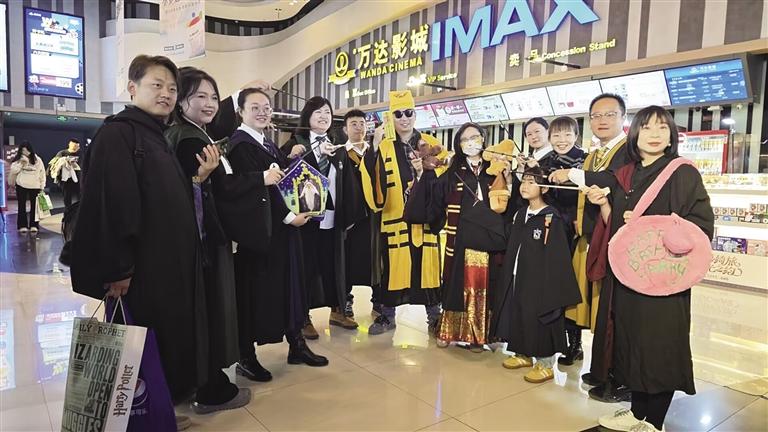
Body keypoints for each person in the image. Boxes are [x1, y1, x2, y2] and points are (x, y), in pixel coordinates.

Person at [69, 55, 207, 430]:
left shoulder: (155, 135)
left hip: (165, 269)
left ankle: (156, 416)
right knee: (135, 348)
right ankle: (132, 421)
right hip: (139, 272)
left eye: (172, 88)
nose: (166, 94)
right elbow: (112, 202)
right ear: (132, 88)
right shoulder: (119, 134)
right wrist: (119, 268)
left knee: (156, 347)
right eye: (156, 85)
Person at [590, 105, 714, 432]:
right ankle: (637, 412)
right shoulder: (627, 174)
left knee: (659, 346)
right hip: (630, 275)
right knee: (632, 343)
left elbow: (700, 226)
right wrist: (605, 206)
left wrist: (653, 225)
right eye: (647, 128)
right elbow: (618, 230)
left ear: (671, 135)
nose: (655, 134)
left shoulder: (681, 173)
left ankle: (654, 422)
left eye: (662, 127)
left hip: (664, 278)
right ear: (635, 134)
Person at [165, 66, 258, 414]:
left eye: (214, 97)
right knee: (209, 313)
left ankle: (204, 382)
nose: (209, 103)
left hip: (194, 243)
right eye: (199, 96)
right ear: (181, 100)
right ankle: (210, 388)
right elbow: (202, 192)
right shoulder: (191, 140)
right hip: (202, 244)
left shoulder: (189, 133)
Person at [227, 88, 328, 380]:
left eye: (267, 107)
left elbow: (283, 180)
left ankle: (296, 344)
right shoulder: (240, 145)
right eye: (255, 107)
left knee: (290, 287)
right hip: (261, 236)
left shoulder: (266, 142)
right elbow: (250, 190)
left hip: (282, 232)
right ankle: (246, 356)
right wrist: (288, 216)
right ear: (241, 111)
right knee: (257, 294)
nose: (263, 112)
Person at [548, 93, 633, 403]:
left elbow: (612, 181)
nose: (602, 120)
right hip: (589, 238)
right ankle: (602, 368)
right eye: (596, 116)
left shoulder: (628, 151)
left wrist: (571, 174)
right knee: (593, 305)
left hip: (615, 240)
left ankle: (619, 377)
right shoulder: (594, 155)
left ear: (623, 118)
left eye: (610, 114)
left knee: (611, 310)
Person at [406, 123, 511, 351]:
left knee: (487, 286)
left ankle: (480, 336)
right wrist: (423, 174)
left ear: (483, 139)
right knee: (457, 286)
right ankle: (451, 331)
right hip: (461, 241)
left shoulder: (496, 168)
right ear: (458, 144)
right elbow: (433, 198)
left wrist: (510, 176)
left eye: (475, 137)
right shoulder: (453, 172)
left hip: (490, 241)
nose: (470, 143)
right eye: (464, 139)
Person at [360, 90, 444, 335]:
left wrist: (424, 175)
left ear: (415, 115)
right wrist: (373, 148)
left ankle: (434, 317)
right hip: (395, 216)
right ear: (391, 117)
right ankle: (387, 316)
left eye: (408, 113)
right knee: (393, 268)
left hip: (425, 220)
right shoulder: (384, 145)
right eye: (398, 114)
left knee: (428, 267)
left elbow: (443, 177)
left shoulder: (430, 142)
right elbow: (369, 175)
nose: (404, 118)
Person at [283, 96, 364, 338]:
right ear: (307, 116)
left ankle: (337, 310)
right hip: (305, 221)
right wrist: (295, 157)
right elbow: (283, 176)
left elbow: (347, 183)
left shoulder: (337, 146)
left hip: (332, 218)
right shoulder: (296, 144)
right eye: (318, 112)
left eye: (327, 112)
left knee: (333, 267)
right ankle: (303, 316)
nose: (323, 116)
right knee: (306, 268)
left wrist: (348, 216)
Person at [491, 166, 581, 383]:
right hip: (517, 275)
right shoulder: (521, 214)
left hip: (540, 280)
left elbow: (558, 256)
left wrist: (550, 283)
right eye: (524, 181)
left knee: (540, 317)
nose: (525, 186)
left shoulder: (551, 218)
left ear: (544, 188)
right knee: (519, 313)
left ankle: (545, 363)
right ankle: (522, 353)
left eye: (531, 182)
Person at [545, 116, 587, 366]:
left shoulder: (585, 161)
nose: (562, 140)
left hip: (573, 231)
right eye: (557, 135)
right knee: (551, 284)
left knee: (570, 285)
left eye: (567, 134)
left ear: (576, 136)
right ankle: (553, 338)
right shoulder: (546, 161)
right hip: (550, 229)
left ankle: (575, 343)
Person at [342, 109, 383, 318]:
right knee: (347, 259)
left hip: (374, 216)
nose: (358, 128)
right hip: (350, 218)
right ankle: (345, 300)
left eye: (362, 123)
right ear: (345, 129)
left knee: (375, 258)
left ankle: (378, 300)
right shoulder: (340, 154)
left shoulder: (376, 152)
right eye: (353, 124)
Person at [9, 141, 46, 234]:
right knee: (21, 206)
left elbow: (42, 173)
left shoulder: (37, 159)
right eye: (23, 151)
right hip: (21, 185)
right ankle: (22, 225)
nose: (25, 153)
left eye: (27, 150)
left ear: (30, 150)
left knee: (35, 206)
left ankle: (34, 225)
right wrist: (21, 164)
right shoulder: (18, 159)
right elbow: (13, 170)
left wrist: (42, 186)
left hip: (35, 185)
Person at [49, 138, 82, 209]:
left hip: (78, 178)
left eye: (77, 146)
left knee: (80, 195)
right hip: (65, 179)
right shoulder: (62, 153)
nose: (75, 147)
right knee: (67, 196)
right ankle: (68, 211)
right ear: (69, 144)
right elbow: (53, 162)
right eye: (73, 145)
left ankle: (79, 210)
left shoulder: (80, 154)